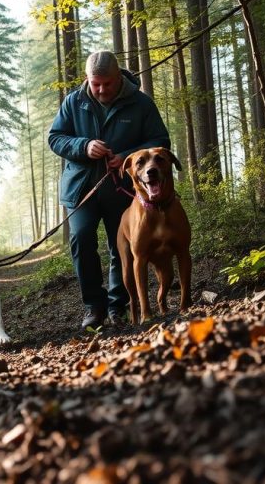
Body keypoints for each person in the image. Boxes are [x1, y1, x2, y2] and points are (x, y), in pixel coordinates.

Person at [48, 51, 171, 330]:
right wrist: (83, 146)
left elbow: (160, 140)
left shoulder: (141, 103)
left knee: (122, 248)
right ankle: (94, 307)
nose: (101, 89)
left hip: (125, 190)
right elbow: (55, 138)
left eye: (107, 83)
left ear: (119, 77)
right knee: (81, 239)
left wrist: (126, 157)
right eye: (95, 84)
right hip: (81, 189)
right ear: (87, 80)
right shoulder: (74, 101)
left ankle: (118, 306)